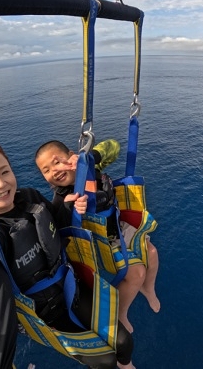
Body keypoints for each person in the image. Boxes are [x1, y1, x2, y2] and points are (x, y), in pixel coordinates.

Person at [0, 142, 135, 369]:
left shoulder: (30, 197)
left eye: (5, 172)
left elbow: (56, 226)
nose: (0, 183)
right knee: (105, 361)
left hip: (71, 287)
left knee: (124, 342)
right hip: (42, 315)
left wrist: (68, 208)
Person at [35, 139, 160, 334]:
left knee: (152, 253)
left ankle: (149, 288)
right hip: (100, 244)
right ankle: (121, 313)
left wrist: (89, 157)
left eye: (57, 162)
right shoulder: (61, 200)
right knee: (137, 273)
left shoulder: (91, 168)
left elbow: (114, 147)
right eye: (46, 170)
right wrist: (70, 208)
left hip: (118, 226)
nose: (55, 170)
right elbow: (60, 232)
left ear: (71, 156)